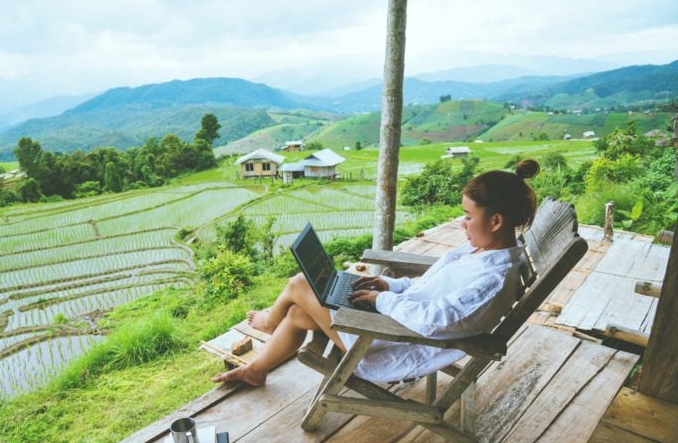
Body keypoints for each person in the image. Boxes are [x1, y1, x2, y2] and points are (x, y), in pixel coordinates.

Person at [213, 159, 540, 387]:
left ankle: (269, 323)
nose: (461, 222)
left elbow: (432, 320)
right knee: (300, 311)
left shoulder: (492, 280)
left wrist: (381, 300)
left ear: (496, 221)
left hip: (384, 344)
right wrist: (389, 285)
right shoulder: (480, 253)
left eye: (468, 216)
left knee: (299, 283)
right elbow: (427, 290)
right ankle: (256, 370)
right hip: (388, 322)